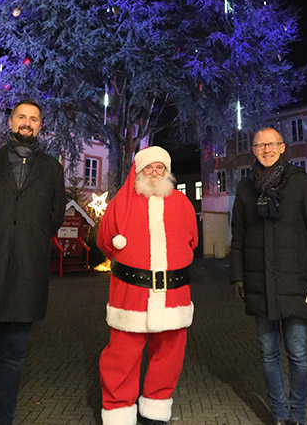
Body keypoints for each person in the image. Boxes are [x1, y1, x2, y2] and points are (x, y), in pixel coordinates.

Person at [0, 99, 66, 425]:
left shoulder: (52, 170)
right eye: (21, 117)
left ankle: (1, 420)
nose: (27, 123)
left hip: (27, 275)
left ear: (40, 127)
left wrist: (27, 239)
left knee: (14, 357)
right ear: (11, 122)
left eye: (33, 119)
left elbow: (54, 216)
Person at [229, 127, 307, 425]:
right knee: (268, 353)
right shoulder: (246, 188)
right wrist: (237, 276)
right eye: (260, 145)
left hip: (296, 283)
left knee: (298, 354)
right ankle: (279, 415)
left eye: (272, 144)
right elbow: (238, 233)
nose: (267, 149)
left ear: (283, 147)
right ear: (254, 149)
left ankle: (297, 416)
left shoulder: (302, 183)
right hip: (259, 282)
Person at [97, 146, 198, 425]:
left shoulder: (182, 203)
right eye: (148, 168)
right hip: (131, 293)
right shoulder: (121, 203)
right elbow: (105, 240)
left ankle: (155, 407)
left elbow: (192, 240)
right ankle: (118, 410)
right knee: (122, 355)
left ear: (167, 172)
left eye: (160, 168)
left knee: (169, 353)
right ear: (138, 172)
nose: (154, 173)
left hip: (173, 293)